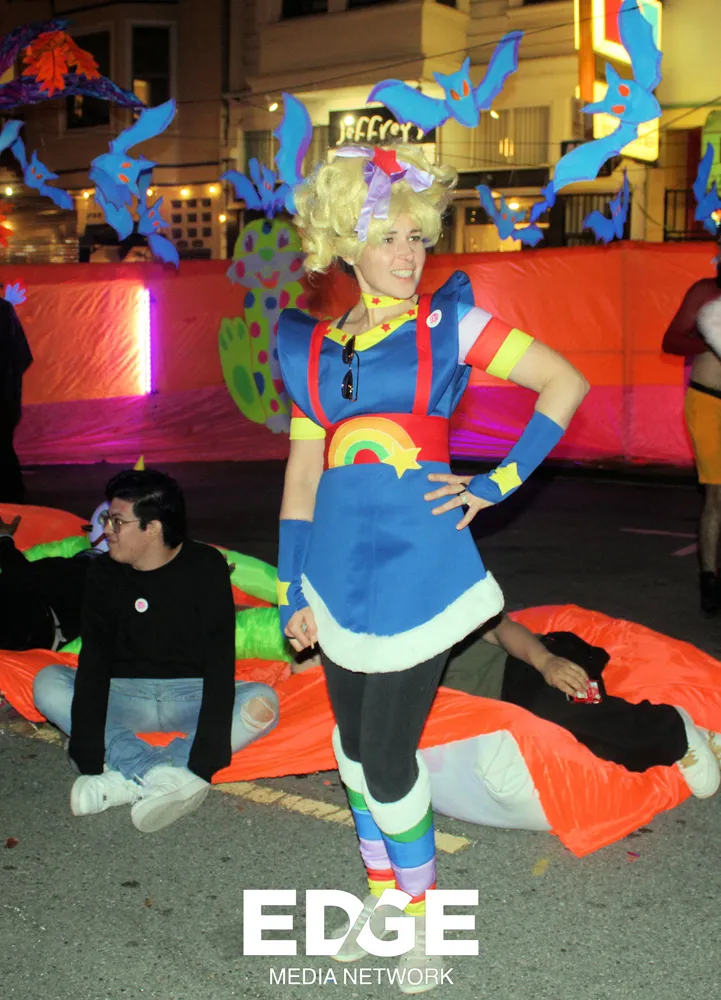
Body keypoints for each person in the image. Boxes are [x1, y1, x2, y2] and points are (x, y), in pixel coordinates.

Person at [275, 144, 588, 990]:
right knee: (349, 750)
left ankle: (421, 921)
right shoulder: (310, 349)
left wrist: (498, 482)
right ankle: (384, 898)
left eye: (416, 235)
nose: (408, 253)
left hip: (422, 572)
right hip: (334, 578)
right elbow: (302, 477)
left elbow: (562, 381)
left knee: (385, 758)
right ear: (346, 243)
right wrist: (289, 586)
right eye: (387, 236)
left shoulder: (449, 327)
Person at [32, 469, 279, 834]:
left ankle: (129, 777)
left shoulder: (205, 565)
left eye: (117, 522)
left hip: (190, 695)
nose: (107, 530)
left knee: (263, 702)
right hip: (124, 694)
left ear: (153, 528)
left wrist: (205, 758)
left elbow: (219, 661)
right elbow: (94, 661)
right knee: (47, 682)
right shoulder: (103, 573)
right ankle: (158, 773)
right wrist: (89, 753)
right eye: (107, 520)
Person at [441, 614, 719, 796]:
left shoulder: (436, 597)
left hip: (532, 662)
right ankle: (685, 739)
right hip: (507, 704)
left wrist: (546, 662)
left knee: (557, 711)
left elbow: (502, 628)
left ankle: (673, 728)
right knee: (584, 751)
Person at [662, 243, 721, 614]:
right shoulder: (706, 292)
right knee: (717, 495)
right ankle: (710, 579)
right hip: (709, 402)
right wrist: (711, 334)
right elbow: (670, 340)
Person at [0, 504, 109, 651]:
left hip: (34, 619)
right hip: (35, 620)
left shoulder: (101, 580)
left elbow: (23, 579)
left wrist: (4, 541)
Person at [0, 296, 32, 503]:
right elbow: (23, 356)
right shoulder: (5, 310)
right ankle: (13, 500)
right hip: (6, 399)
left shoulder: (4, 310)